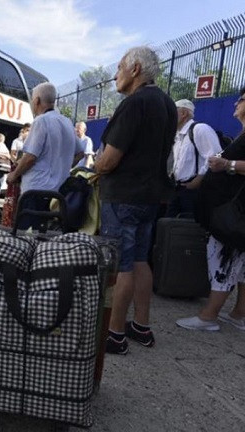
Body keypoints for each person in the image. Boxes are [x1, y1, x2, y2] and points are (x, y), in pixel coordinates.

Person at [94, 46, 177, 355]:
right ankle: (141, 326)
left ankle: (114, 334)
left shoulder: (134, 103)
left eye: (119, 67)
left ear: (135, 69)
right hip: (151, 196)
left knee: (122, 264)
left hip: (124, 195)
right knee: (140, 259)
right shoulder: (167, 103)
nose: (115, 75)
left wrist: (96, 167)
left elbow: (111, 158)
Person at [176, 88, 245, 331]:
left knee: (222, 257)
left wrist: (228, 164)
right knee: (240, 263)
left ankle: (209, 317)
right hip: (234, 208)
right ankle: (238, 313)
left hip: (235, 211)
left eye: (242, 99)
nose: (236, 103)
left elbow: (229, 165)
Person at [6, 82, 82, 230]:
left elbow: (30, 157)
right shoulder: (66, 122)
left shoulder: (41, 121)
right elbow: (80, 153)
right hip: (60, 192)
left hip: (36, 191)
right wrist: (62, 167)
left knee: (28, 236)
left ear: (37, 101)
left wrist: (14, 175)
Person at [166, 99, 222, 217]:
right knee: (170, 226)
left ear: (183, 113)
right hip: (177, 189)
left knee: (188, 228)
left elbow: (217, 155)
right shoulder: (178, 136)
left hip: (193, 191)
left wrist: (198, 179)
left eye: (172, 112)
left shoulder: (200, 129)